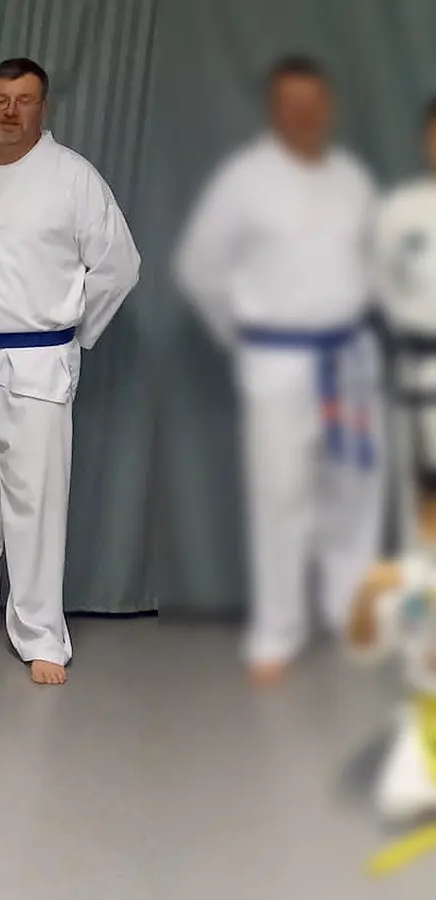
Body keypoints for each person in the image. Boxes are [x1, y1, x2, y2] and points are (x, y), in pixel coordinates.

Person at [0, 57, 140, 686]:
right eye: (0, 99)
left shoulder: (73, 178)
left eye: (24, 99)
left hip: (37, 362)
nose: (11, 111)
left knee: (35, 503)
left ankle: (41, 631)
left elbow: (118, 267)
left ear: (42, 106)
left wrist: (70, 334)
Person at [174, 55, 383, 685]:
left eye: (314, 101)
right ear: (273, 108)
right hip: (277, 360)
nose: (304, 113)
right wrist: (244, 337)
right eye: (291, 102)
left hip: (349, 354)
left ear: (330, 107)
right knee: (281, 495)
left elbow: (370, 260)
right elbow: (199, 266)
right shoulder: (245, 178)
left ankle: (353, 610)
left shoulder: (351, 176)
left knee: (355, 489)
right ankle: (278, 628)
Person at [345, 472, 436, 870]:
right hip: (425, 711)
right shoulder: (408, 578)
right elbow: (366, 649)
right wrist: (367, 596)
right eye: (428, 516)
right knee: (399, 801)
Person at [372, 98, 436, 554]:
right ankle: (421, 617)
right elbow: (378, 284)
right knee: (419, 507)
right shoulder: (401, 210)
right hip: (419, 371)